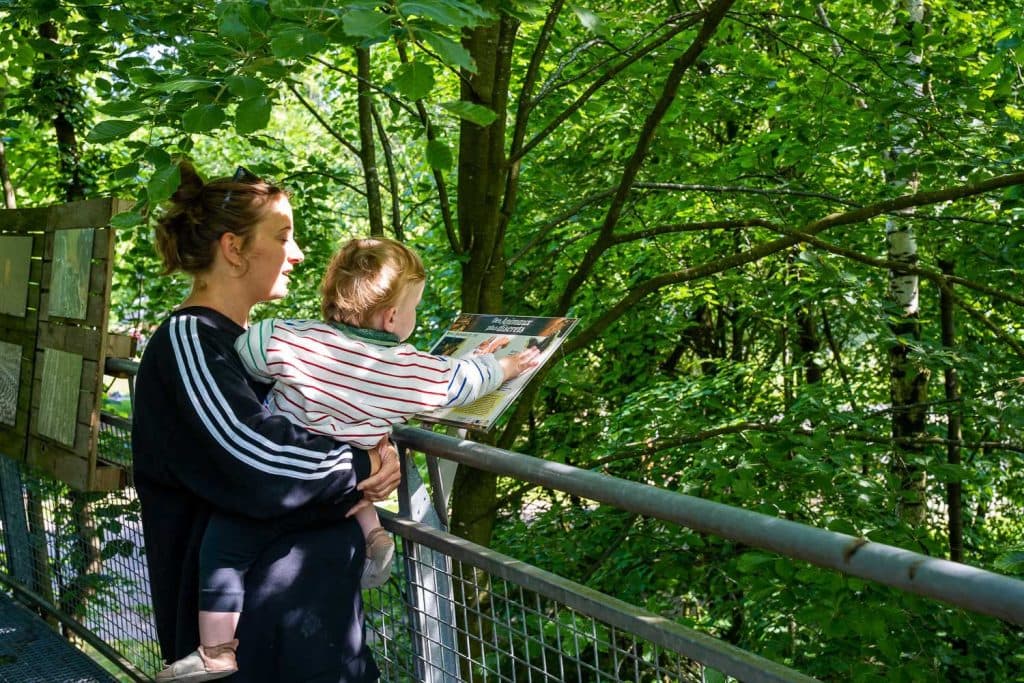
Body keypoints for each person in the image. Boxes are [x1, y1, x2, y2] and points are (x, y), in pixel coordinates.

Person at [182, 237, 539, 664]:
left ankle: (216, 652)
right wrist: (505, 366)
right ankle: (375, 538)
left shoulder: (293, 338)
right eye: (413, 308)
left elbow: (250, 349)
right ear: (391, 318)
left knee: (222, 551)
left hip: (289, 479)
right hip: (344, 489)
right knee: (363, 463)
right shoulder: (405, 370)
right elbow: (457, 382)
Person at [132, 161, 401, 683]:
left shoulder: (254, 347)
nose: (297, 254)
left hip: (312, 635)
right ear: (234, 249)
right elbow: (259, 462)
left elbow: (319, 428)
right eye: (282, 237)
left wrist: (379, 451)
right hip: (255, 646)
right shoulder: (190, 342)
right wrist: (363, 462)